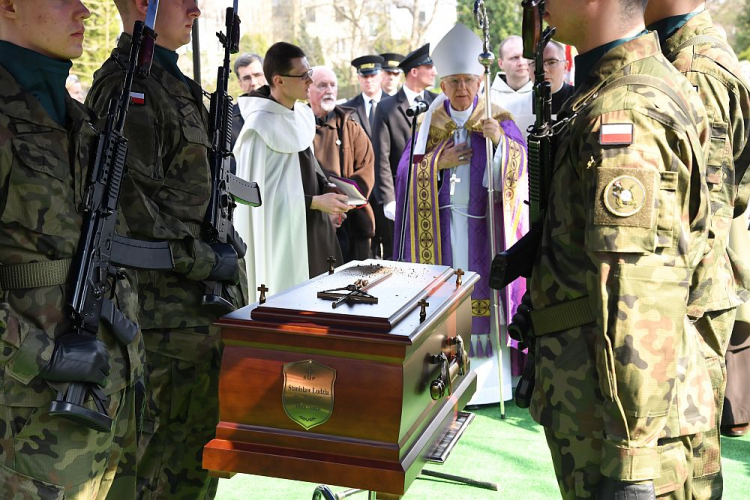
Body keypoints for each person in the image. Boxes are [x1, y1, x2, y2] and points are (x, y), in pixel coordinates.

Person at [527, 0, 715, 498]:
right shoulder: (617, 88)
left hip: (622, 429)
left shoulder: (624, 111)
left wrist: (631, 465)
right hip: (603, 404)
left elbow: (639, 296)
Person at [86, 1, 247, 498]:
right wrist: (201, 257)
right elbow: (127, 212)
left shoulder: (172, 81)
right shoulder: (128, 87)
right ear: (142, 4)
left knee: (198, 459)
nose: (197, 9)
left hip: (198, 308)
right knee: (162, 466)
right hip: (163, 319)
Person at [0, 0, 142, 497]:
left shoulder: (77, 119)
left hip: (105, 400)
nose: (84, 11)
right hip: (25, 422)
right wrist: (41, 354)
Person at [645, 1, 750, 497]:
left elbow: (703, 203)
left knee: (688, 457)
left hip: (689, 294)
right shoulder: (678, 53)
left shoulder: (698, 68)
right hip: (684, 288)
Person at [393, 24, 528, 405]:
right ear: (442, 83)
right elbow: (405, 174)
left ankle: (491, 383)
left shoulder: (498, 118)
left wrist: (500, 144)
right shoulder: (427, 126)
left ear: (481, 79)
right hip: (442, 230)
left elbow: (520, 171)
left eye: (468, 80)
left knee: (484, 292)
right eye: (453, 82)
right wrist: (437, 162)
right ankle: (443, 370)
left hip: (486, 230)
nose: (461, 90)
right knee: (447, 297)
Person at [234, 42, 346, 302]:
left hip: (314, 231)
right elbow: (258, 201)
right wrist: (317, 202)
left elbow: (305, 171)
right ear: (279, 81)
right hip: (281, 241)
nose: (310, 80)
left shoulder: (302, 115)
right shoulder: (258, 128)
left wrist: (329, 190)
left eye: (310, 72)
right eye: (303, 75)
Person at [372, 44, 438, 260]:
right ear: (415, 72)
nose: (434, 72)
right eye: (429, 67)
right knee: (399, 255)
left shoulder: (438, 103)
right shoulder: (386, 107)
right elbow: (381, 157)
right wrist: (388, 199)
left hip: (433, 191)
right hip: (402, 192)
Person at [309, 66, 375, 262]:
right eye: (322, 85)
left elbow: (366, 170)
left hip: (350, 221)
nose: (329, 90)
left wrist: (338, 208)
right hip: (312, 222)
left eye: (332, 85)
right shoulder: (297, 125)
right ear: (307, 89)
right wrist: (321, 212)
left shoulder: (350, 127)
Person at [490, 35, 534, 132]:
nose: (521, 62)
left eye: (524, 56)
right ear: (501, 63)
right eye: (514, 58)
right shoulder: (488, 98)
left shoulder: (542, 94)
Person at [342, 55, 385, 140]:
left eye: (373, 75)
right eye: (365, 76)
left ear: (381, 76)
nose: (368, 80)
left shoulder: (393, 105)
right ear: (358, 78)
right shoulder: (348, 109)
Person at [529, 40, 575, 116]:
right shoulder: (514, 108)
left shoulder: (583, 102)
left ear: (565, 67)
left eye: (551, 62)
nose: (544, 70)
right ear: (528, 70)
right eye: (536, 64)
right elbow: (508, 128)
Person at [231, 53, 266, 152]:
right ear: (240, 84)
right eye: (247, 78)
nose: (254, 83)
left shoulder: (282, 111)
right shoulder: (228, 120)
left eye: (258, 75)